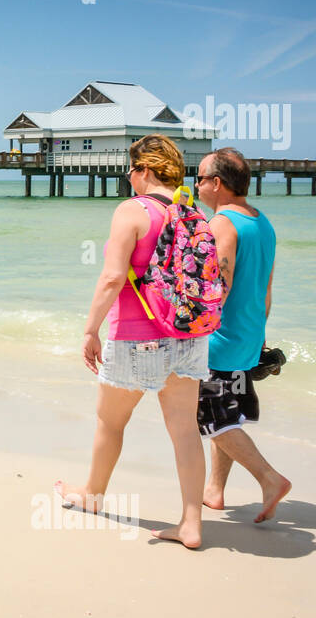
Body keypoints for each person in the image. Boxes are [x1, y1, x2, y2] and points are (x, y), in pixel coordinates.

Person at [58, 134, 211, 549]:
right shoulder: (191, 211)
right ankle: (191, 524)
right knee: (184, 431)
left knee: (111, 422)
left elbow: (111, 277)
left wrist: (90, 330)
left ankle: (91, 495)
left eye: (131, 168)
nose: (128, 176)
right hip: (189, 336)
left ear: (144, 170)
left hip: (136, 337)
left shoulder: (132, 210)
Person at [193, 148, 289, 522]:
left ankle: (269, 479)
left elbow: (219, 288)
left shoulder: (222, 224)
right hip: (248, 338)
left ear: (217, 184)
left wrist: (188, 334)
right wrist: (259, 335)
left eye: (199, 178)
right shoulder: (262, 222)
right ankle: (215, 490)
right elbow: (266, 289)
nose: (196, 185)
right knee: (228, 416)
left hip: (220, 341)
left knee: (211, 420)